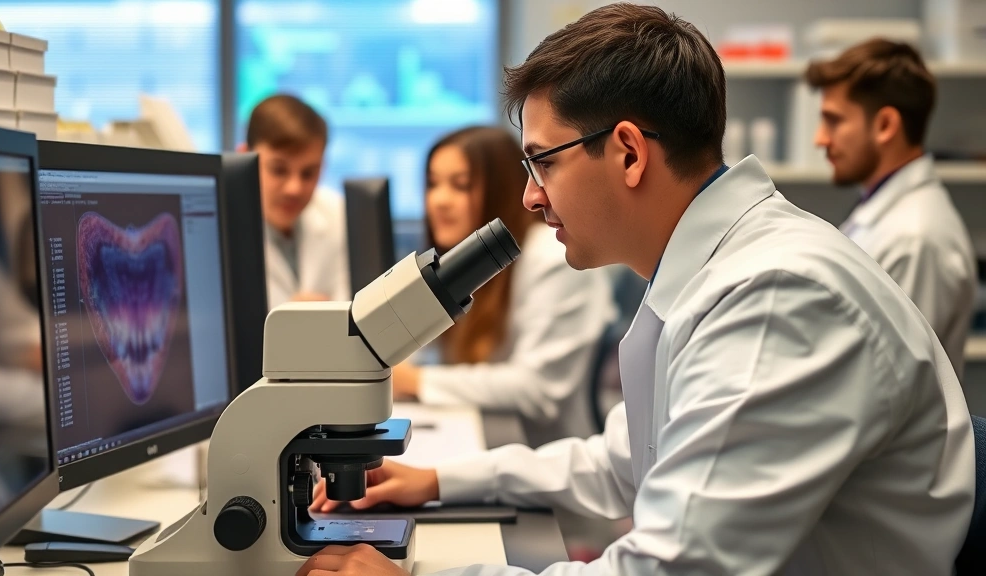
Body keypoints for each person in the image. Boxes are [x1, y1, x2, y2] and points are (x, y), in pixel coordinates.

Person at [300, 4, 975, 575]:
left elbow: (672, 569)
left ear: (628, 152)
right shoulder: (709, 270)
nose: (530, 197)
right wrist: (440, 481)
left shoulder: (776, 296)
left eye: (542, 163)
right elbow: (622, 461)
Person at [391, 126, 615, 446]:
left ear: (501, 190)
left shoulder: (554, 259)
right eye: (433, 184)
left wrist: (417, 381)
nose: (439, 200)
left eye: (460, 185)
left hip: (544, 453)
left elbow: (537, 388)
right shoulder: (462, 261)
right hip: (491, 440)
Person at [806, 39, 978, 378]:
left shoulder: (915, 239)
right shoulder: (884, 213)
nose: (820, 139)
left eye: (834, 121)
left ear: (885, 125)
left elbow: (894, 379)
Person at [239, 94, 350, 307]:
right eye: (278, 170)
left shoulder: (339, 215)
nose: (294, 189)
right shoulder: (220, 232)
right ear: (244, 158)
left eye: (308, 173)